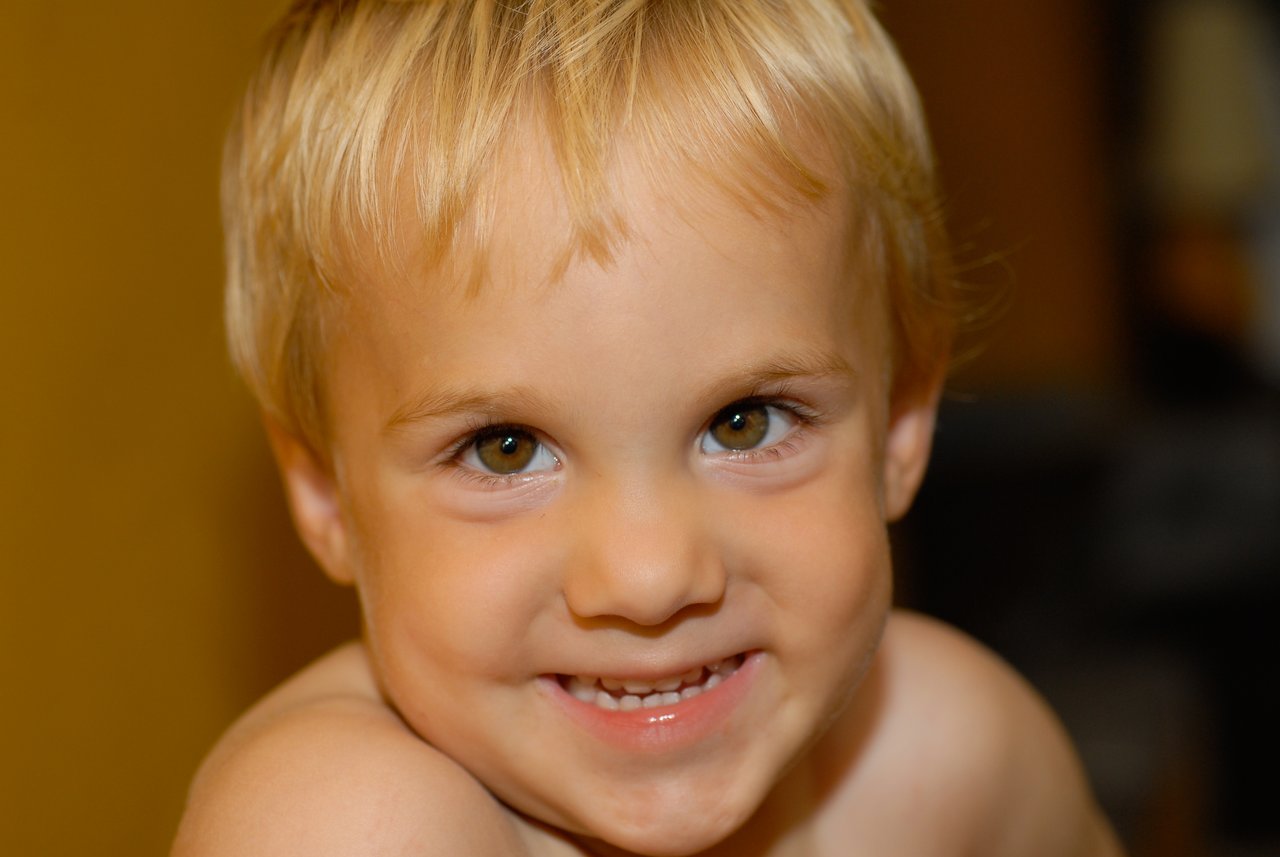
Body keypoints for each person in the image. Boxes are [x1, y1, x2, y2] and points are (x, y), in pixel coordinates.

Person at [173, 1, 1123, 854]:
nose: (649, 574)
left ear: (901, 423)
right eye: (506, 448)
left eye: (744, 424)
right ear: (326, 491)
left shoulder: (946, 758)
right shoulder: (350, 823)